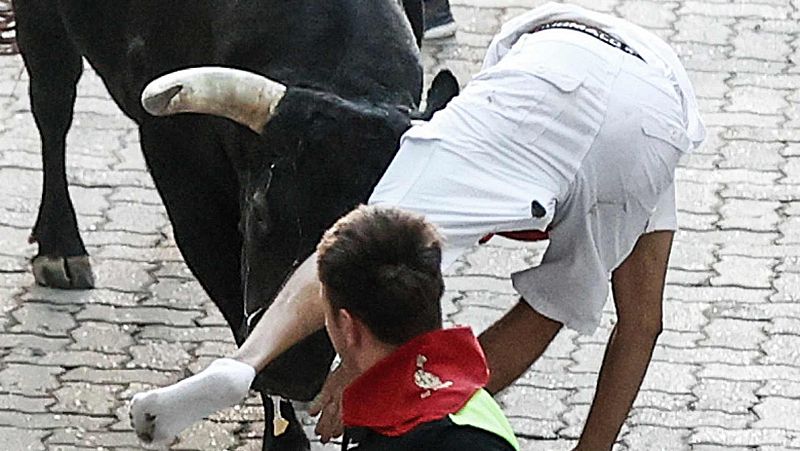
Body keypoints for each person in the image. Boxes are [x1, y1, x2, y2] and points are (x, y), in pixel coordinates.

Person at [131, 3, 706, 450]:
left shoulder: (516, 118)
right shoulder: (645, 165)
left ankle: (242, 363)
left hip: (544, 63)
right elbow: (635, 325)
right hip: (649, 98)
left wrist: (377, 382)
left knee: (371, 229)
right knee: (616, 306)